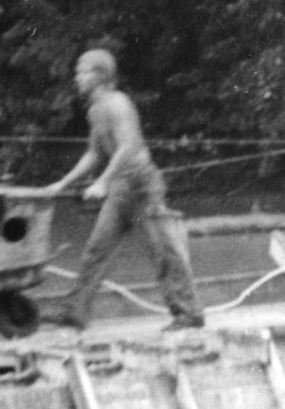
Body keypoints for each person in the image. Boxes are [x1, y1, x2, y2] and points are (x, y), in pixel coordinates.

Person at [47, 47, 204, 330]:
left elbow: (128, 147)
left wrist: (101, 182)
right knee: (97, 249)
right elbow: (94, 153)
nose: (77, 78)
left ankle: (189, 313)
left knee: (163, 252)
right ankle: (75, 312)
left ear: (99, 76)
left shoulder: (118, 103)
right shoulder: (95, 110)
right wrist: (63, 183)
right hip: (121, 189)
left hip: (143, 187)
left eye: (81, 72)